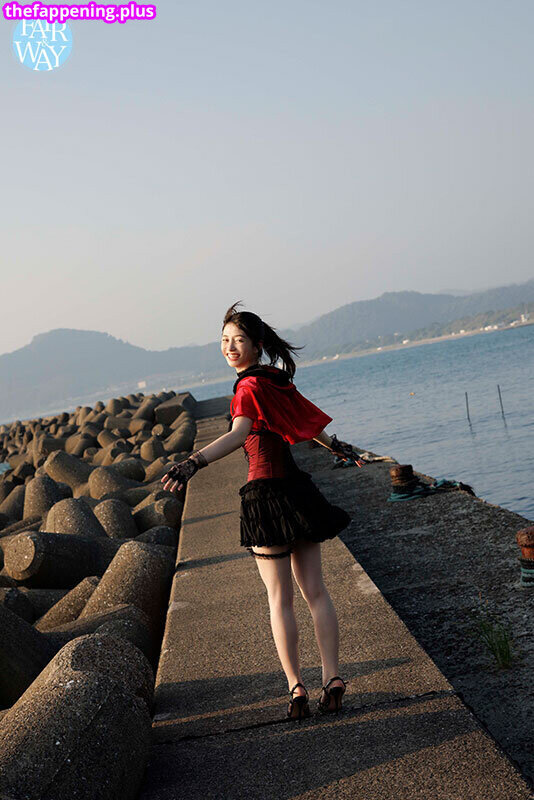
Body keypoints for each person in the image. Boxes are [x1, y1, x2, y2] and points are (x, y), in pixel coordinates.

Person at [161, 301, 366, 721]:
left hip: (265, 497)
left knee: (279, 599)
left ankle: (296, 688)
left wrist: (193, 463)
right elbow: (308, 423)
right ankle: (332, 678)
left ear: (256, 345)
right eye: (224, 340)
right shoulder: (275, 380)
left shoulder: (247, 388)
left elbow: (240, 434)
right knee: (317, 593)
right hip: (299, 493)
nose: (229, 347)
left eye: (238, 340)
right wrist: (339, 448)